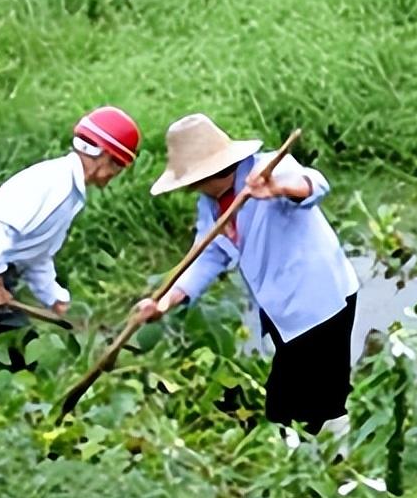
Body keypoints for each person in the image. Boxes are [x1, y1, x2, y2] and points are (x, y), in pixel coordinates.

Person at [135, 114, 359, 443]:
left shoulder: (266, 170)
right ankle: (314, 464)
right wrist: (165, 302)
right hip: (280, 308)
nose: (190, 188)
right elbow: (208, 254)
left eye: (192, 181)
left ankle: (338, 470)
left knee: (304, 400)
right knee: (300, 396)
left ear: (208, 172)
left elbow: (315, 185)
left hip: (319, 302)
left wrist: (279, 188)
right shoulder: (210, 204)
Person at [0, 107, 140, 411]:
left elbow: (38, 256)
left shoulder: (71, 193)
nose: (116, 175)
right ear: (105, 157)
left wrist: (56, 301)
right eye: (118, 166)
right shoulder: (53, 182)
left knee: (20, 345)